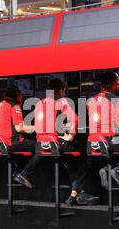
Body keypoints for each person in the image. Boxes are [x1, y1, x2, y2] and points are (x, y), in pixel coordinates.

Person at [35, 78, 99, 206]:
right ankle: (75, 193)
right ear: (60, 91)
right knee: (88, 154)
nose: (65, 93)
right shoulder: (61, 101)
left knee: (70, 162)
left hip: (44, 143)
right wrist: (71, 135)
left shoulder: (40, 102)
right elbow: (75, 119)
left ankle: (75, 194)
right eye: (64, 90)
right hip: (59, 143)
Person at [0, 85, 38, 188]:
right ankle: (23, 175)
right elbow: (19, 128)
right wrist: (37, 127)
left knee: (23, 147)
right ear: (17, 95)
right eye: (21, 95)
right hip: (11, 143)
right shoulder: (14, 106)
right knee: (40, 146)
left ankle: (16, 173)